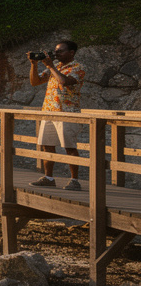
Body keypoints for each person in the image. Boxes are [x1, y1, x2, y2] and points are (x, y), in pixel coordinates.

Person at [28, 40, 84, 190]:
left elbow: (64, 81)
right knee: (47, 145)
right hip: (49, 111)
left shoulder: (77, 67)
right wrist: (34, 64)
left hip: (67, 112)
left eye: (60, 51)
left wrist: (50, 66)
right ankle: (48, 177)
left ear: (71, 53)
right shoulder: (56, 66)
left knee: (69, 146)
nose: (56, 53)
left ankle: (74, 180)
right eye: (56, 51)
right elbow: (35, 82)